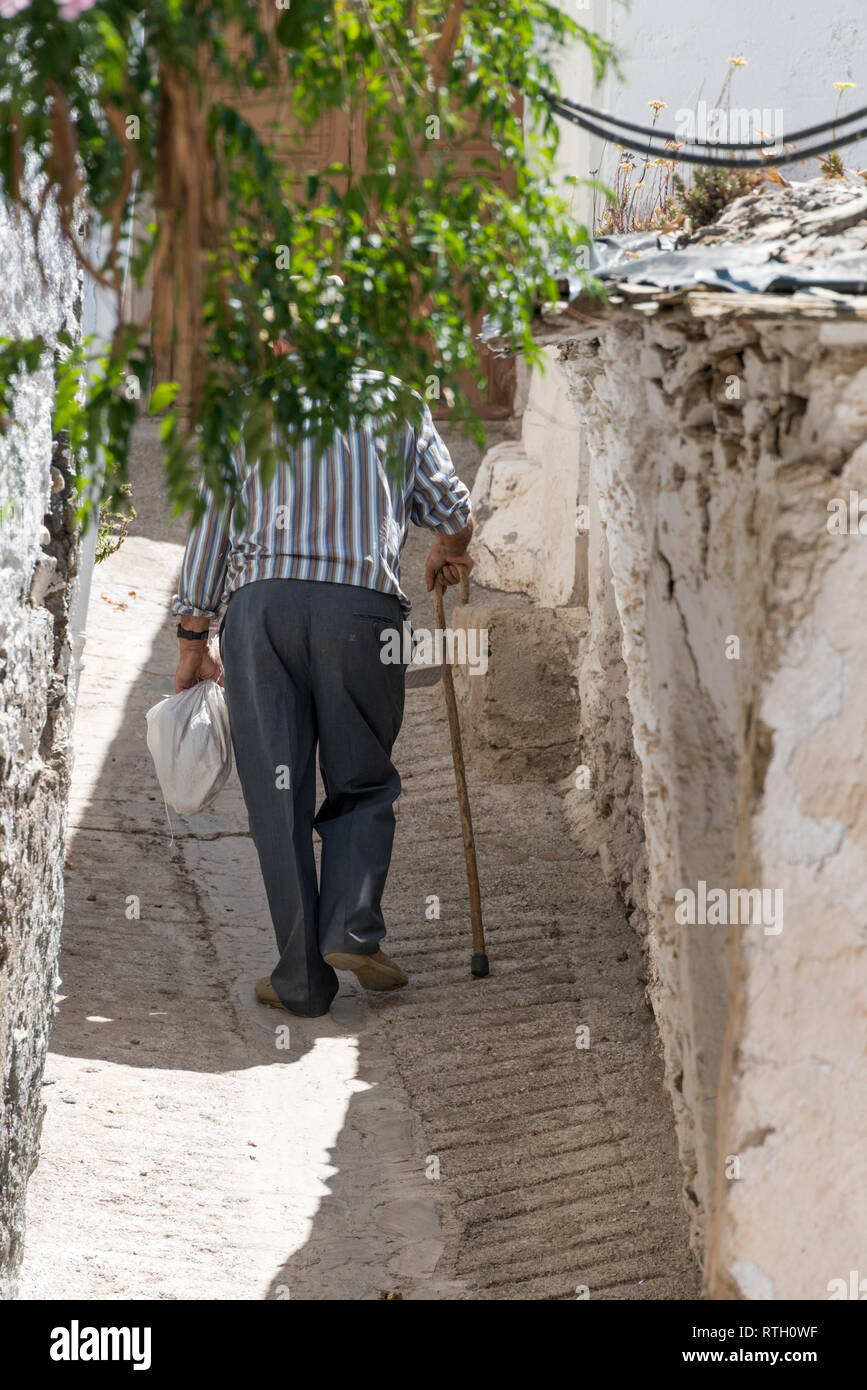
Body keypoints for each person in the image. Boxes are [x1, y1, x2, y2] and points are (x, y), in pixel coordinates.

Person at [171, 374, 474, 1017]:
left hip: (263, 611)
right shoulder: (400, 401)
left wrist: (193, 633)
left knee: (275, 793)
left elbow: (210, 528)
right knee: (362, 778)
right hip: (360, 611)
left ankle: (301, 980)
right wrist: (449, 549)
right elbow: (450, 507)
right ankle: (352, 931)